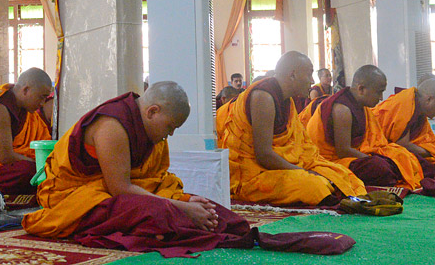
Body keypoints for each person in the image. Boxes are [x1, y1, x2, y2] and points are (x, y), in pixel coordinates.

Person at [23, 83, 351, 257]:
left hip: (113, 192)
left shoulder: (144, 123)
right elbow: (120, 189)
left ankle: (232, 229)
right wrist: (180, 207)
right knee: (156, 211)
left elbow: (152, 181)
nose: (171, 135)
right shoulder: (113, 127)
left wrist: (187, 203)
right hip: (75, 199)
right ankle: (190, 224)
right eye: (170, 127)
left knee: (204, 208)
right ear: (152, 111)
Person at [216, 51, 365, 205]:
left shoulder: (287, 101)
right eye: (309, 74)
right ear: (292, 75)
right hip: (253, 173)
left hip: (278, 167)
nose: (312, 81)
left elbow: (297, 145)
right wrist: (302, 171)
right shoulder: (263, 97)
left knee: (341, 174)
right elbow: (264, 155)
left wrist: (309, 168)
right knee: (314, 186)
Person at [304, 65, 423, 188]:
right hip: (331, 161)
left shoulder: (360, 105)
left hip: (355, 155)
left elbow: (371, 142)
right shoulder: (342, 110)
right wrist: (372, 158)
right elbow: (343, 151)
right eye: (379, 92)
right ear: (361, 89)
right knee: (380, 168)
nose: (381, 98)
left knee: (402, 157)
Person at [374, 77, 435, 170]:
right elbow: (403, 145)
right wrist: (433, 152)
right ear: (428, 99)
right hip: (375, 146)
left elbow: (426, 139)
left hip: (398, 148)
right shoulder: (405, 104)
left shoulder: (418, 110)